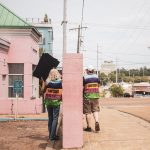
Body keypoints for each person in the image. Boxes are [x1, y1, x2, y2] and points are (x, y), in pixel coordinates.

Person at [42, 68, 62, 141]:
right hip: (56, 102)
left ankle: (51, 135)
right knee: (55, 118)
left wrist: (43, 83)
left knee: (50, 118)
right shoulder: (60, 82)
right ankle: (52, 136)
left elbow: (43, 91)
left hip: (48, 102)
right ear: (57, 74)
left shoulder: (47, 82)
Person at [83, 65, 100, 132]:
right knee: (95, 110)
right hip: (95, 96)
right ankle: (97, 121)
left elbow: (83, 87)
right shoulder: (96, 77)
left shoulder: (84, 77)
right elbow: (98, 85)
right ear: (93, 70)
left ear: (87, 70)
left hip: (87, 97)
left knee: (88, 112)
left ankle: (89, 127)